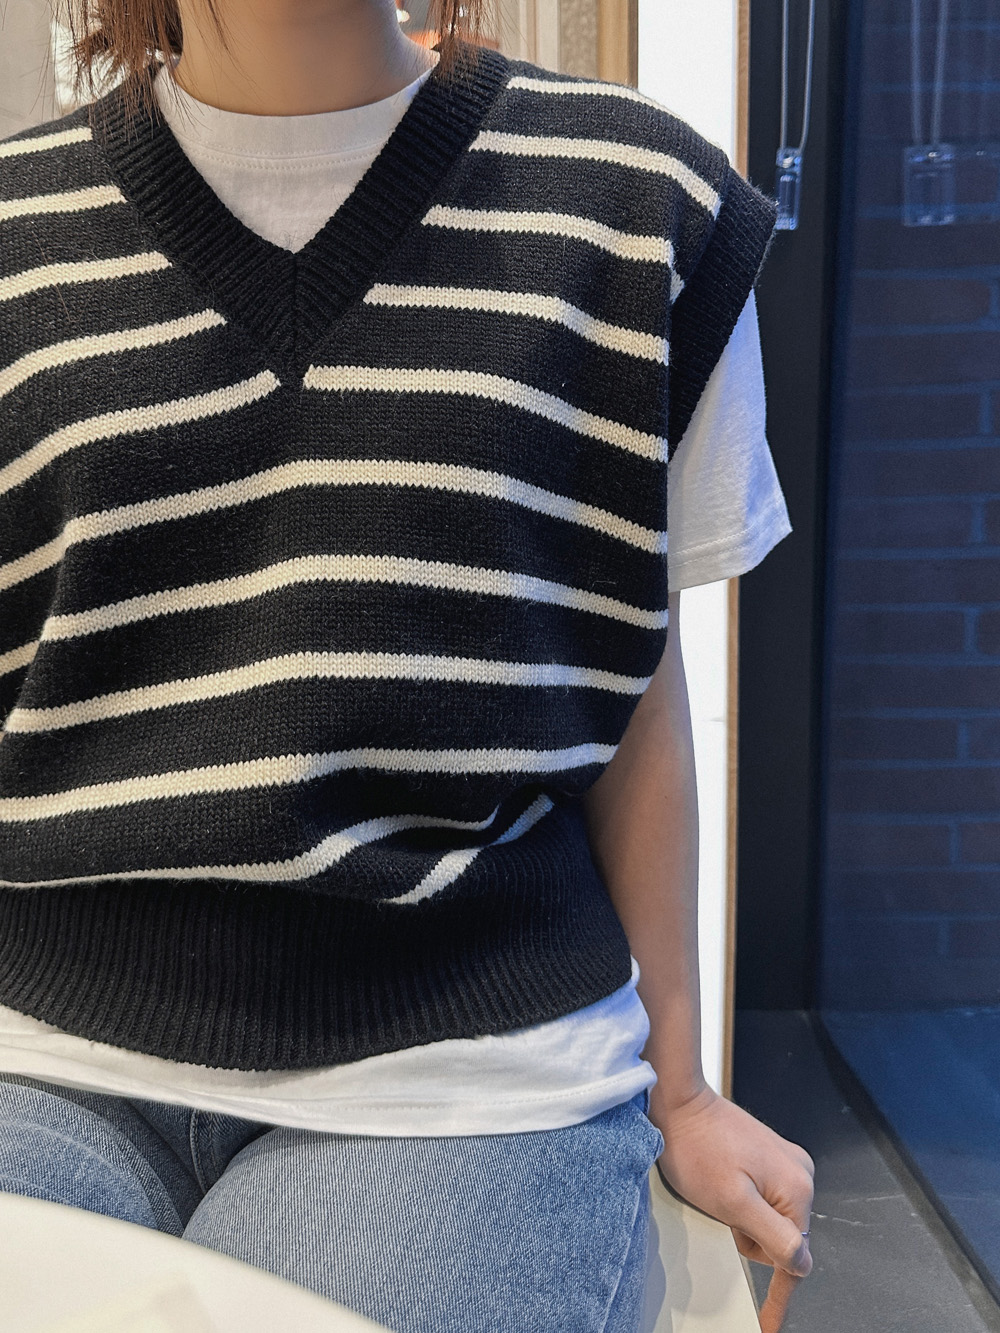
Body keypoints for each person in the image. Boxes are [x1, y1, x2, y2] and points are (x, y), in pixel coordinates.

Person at [0, 1, 814, 1329]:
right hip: (36, 1047)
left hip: (464, 1069)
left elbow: (630, 690)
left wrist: (684, 1088)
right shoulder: (15, 230)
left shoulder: (636, 211)